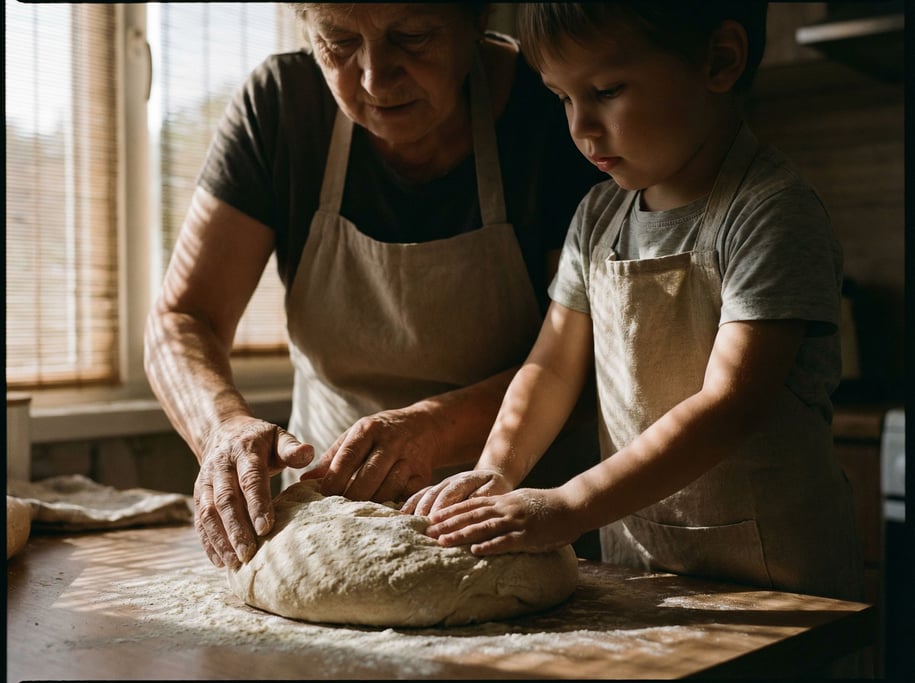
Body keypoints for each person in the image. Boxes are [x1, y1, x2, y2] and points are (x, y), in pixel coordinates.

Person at [404, 1, 864, 609]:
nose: (581, 127)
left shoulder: (770, 212)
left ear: (719, 61)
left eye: (606, 90)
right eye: (564, 99)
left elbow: (728, 405)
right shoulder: (598, 218)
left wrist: (568, 504)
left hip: (777, 580)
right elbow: (551, 369)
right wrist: (496, 470)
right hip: (643, 567)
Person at [144, 3, 604, 571]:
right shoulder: (284, 105)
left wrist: (435, 427)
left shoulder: (560, 108)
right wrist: (221, 426)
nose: (374, 77)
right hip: (328, 532)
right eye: (338, 40)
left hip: (521, 523)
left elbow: (591, 363)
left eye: (412, 37)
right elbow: (184, 317)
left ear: (477, 16)